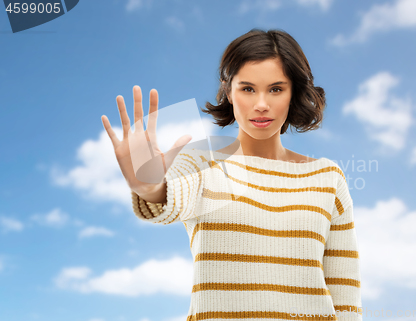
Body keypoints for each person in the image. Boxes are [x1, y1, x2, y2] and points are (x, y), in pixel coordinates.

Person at [101, 28, 362, 321]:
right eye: (247, 88)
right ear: (229, 92)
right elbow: (173, 198)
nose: (261, 104)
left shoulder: (327, 178)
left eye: (276, 89)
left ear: (294, 93)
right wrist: (148, 186)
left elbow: (345, 296)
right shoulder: (203, 161)